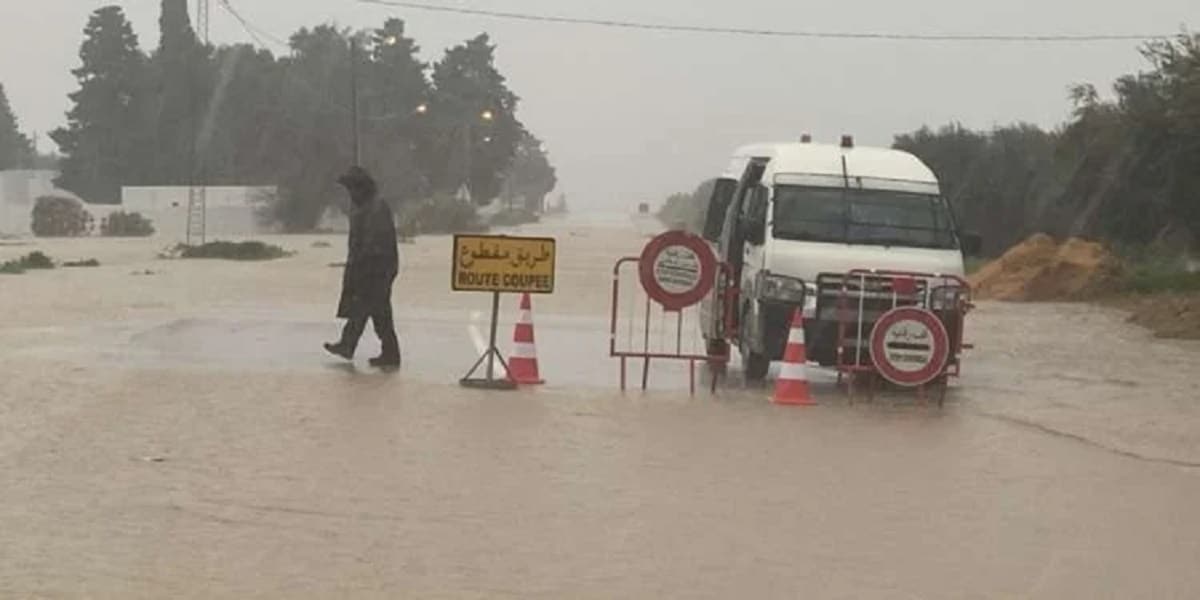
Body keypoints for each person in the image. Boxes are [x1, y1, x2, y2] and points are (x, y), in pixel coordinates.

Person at [323, 166, 401, 368]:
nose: (350, 194)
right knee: (379, 312)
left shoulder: (376, 208)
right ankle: (389, 353)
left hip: (376, 269)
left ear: (361, 188)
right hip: (371, 268)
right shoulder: (365, 206)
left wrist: (362, 264)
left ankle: (348, 345)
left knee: (363, 308)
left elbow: (375, 242)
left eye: (352, 189)